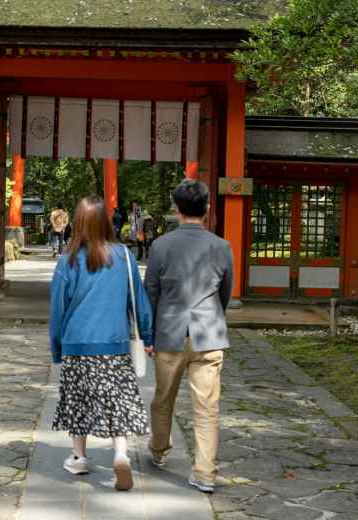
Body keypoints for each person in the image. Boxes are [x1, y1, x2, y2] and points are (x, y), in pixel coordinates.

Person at [49, 196, 154, 491]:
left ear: (78, 223)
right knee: (116, 400)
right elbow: (139, 301)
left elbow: (58, 309)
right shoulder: (123, 255)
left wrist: (56, 347)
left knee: (78, 400)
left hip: (77, 344)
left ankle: (79, 457)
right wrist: (148, 334)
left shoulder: (68, 260)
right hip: (114, 343)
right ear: (107, 221)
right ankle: (120, 454)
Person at [144, 179, 234, 494]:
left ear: (176, 209)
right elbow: (225, 293)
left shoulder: (161, 246)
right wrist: (213, 318)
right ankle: (206, 473)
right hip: (208, 334)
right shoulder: (222, 246)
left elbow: (150, 293)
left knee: (163, 399)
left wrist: (148, 333)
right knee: (207, 407)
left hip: (169, 332)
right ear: (207, 209)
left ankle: (158, 450)